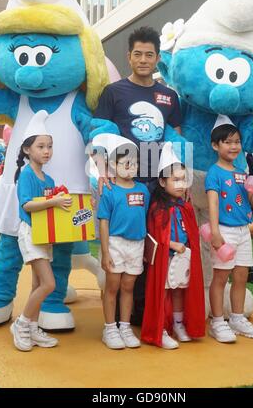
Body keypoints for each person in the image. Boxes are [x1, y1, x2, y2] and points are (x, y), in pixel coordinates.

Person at [93, 26, 182, 325]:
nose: (143, 59)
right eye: (137, 54)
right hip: (123, 184)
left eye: (149, 54)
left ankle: (145, 311)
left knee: (153, 246)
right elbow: (99, 134)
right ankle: (115, 316)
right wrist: (102, 168)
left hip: (157, 185)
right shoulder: (114, 92)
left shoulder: (169, 96)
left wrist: (174, 179)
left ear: (157, 58)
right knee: (121, 243)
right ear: (128, 57)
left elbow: (176, 139)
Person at [10, 111, 72, 351]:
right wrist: (54, 202)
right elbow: (27, 205)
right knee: (48, 283)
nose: (46, 151)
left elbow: (53, 208)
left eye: (50, 146)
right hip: (31, 233)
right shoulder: (26, 175)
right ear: (27, 150)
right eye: (41, 146)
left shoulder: (48, 178)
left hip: (44, 235)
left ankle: (33, 328)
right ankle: (22, 323)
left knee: (39, 284)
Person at [205, 120, 253, 343]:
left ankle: (237, 318)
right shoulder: (213, 173)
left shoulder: (242, 172)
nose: (234, 146)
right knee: (221, 276)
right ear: (215, 146)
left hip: (244, 230)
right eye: (228, 142)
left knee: (241, 276)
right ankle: (217, 322)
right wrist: (215, 232)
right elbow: (212, 203)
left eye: (237, 142)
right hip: (224, 230)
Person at [141, 142, 205, 349]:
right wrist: (172, 244)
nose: (180, 184)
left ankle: (178, 324)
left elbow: (191, 232)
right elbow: (154, 236)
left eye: (183, 180)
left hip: (183, 257)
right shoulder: (157, 208)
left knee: (179, 290)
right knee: (164, 292)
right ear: (161, 181)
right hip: (165, 258)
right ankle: (161, 328)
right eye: (175, 180)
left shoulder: (185, 206)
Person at [96, 134, 150, 349]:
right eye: (125, 163)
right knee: (112, 286)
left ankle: (125, 327)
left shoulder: (143, 190)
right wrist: (106, 252)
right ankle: (109, 328)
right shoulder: (109, 191)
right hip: (115, 244)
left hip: (136, 245)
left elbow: (143, 218)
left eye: (134, 163)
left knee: (129, 286)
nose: (131, 166)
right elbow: (103, 223)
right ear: (112, 165)